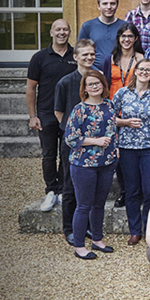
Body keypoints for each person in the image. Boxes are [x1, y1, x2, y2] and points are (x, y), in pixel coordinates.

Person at [64, 70, 121, 260]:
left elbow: (112, 129)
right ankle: (79, 245)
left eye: (98, 83)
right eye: (91, 84)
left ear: (103, 85)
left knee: (99, 204)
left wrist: (115, 148)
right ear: (85, 88)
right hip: (84, 164)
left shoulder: (109, 105)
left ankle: (97, 239)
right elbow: (70, 138)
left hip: (107, 162)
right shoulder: (79, 110)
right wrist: (95, 141)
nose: (95, 87)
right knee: (83, 205)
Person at [53, 39, 105, 233]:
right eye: (85, 54)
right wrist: (73, 132)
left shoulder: (99, 79)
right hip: (73, 143)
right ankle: (69, 229)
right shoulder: (65, 82)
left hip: (96, 143)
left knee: (92, 187)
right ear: (75, 57)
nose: (89, 57)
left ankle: (88, 228)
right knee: (69, 186)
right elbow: (59, 113)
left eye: (92, 54)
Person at [113, 59, 150, 246]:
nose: (144, 72)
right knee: (132, 190)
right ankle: (135, 231)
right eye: (141, 69)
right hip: (127, 148)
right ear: (135, 72)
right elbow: (110, 118)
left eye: (148, 70)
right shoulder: (122, 93)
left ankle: (149, 229)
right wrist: (125, 122)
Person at [27, 18, 78, 212]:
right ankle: (51, 189)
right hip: (46, 113)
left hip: (69, 114)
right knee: (49, 154)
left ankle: (63, 189)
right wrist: (33, 115)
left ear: (70, 32)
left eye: (65, 29)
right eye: (58, 29)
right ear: (51, 32)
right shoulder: (39, 58)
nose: (61, 33)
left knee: (67, 153)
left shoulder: (76, 56)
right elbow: (31, 88)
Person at [79, 0, 124, 69]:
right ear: (98, 6)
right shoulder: (88, 26)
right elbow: (81, 52)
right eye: (105, 4)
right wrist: (96, 71)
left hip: (120, 72)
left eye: (112, 3)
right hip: (94, 73)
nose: (109, 7)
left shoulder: (124, 26)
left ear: (117, 5)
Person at [107, 23, 148, 92]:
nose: (126, 39)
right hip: (113, 98)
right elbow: (105, 84)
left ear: (136, 38)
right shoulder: (110, 59)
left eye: (130, 36)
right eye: (123, 36)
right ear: (118, 38)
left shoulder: (143, 59)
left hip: (135, 98)